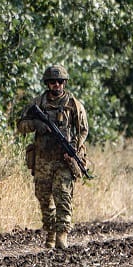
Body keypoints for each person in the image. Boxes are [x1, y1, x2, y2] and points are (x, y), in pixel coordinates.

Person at [17, 65, 88, 249]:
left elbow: (83, 131)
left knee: (63, 197)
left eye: (59, 82)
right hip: (42, 159)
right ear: (47, 84)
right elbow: (20, 125)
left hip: (64, 159)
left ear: (64, 83)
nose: (56, 85)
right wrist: (35, 124)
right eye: (52, 82)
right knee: (43, 197)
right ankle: (50, 231)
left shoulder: (74, 104)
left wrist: (73, 148)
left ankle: (62, 234)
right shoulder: (38, 103)